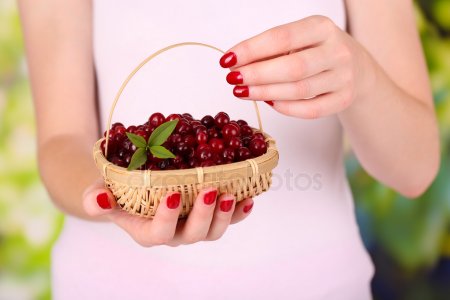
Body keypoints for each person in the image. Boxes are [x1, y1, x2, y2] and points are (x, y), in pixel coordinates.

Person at [19, 0, 439, 299]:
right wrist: (108, 199)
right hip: (112, 286)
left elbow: (414, 169)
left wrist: (361, 78)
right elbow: (61, 141)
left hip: (315, 284)